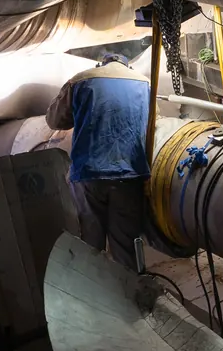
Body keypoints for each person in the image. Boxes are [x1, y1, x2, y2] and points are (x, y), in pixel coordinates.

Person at [45, 53, 150, 266]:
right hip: (130, 172)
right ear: (125, 65)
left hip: (89, 172)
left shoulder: (81, 79)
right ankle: (132, 293)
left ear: (103, 63)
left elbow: (54, 120)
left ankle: (95, 291)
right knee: (127, 244)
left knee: (92, 243)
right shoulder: (145, 82)